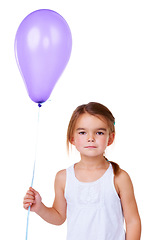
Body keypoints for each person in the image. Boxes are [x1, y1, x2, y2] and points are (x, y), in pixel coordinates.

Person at [23, 102, 141, 240]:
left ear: (110, 138)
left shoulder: (119, 177)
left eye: (99, 132)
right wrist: (39, 208)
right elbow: (59, 217)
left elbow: (133, 221)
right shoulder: (63, 177)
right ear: (72, 138)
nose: (90, 138)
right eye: (83, 132)